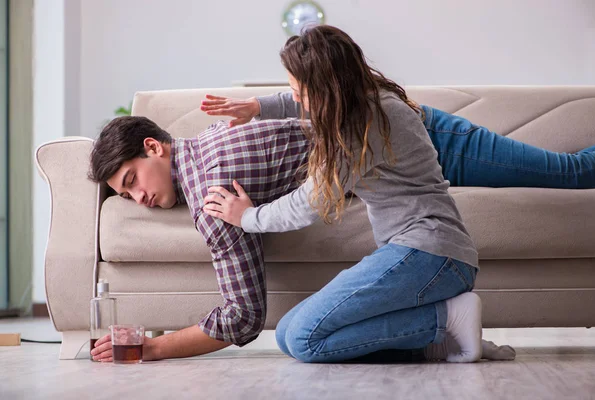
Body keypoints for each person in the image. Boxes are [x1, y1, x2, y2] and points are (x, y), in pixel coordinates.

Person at [199, 25, 595, 364]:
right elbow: (304, 99)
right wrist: (261, 106)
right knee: (289, 335)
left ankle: (445, 321)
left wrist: (247, 217)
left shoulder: (359, 130)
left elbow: (311, 203)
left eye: (300, 91)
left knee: (305, 341)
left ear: (328, 89)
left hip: (431, 254)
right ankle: (445, 333)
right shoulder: (363, 97)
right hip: (422, 254)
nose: (297, 99)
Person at [87, 115, 515, 363]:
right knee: (299, 336)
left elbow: (243, 317)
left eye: (132, 181)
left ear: (154, 147)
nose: (139, 199)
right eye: (126, 196)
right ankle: (444, 332)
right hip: (407, 132)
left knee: (573, 172)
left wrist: (155, 348)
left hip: (430, 142)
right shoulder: (210, 137)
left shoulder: (213, 199)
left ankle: (445, 326)